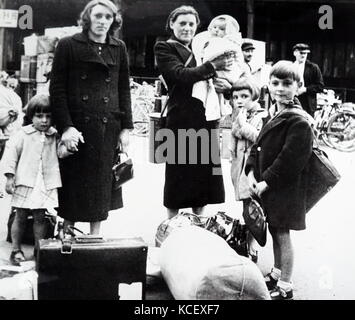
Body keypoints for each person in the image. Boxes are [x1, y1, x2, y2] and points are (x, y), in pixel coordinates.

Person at [49, 0, 133, 234]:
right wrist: (66, 127)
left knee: (101, 184)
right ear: (88, 18)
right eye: (98, 16)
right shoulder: (68, 45)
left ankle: (95, 237)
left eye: (108, 17)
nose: (102, 21)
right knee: (74, 184)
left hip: (108, 127)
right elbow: (57, 89)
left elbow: (123, 88)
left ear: (113, 20)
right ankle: (67, 233)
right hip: (77, 127)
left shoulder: (119, 47)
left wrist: (126, 128)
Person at [154, 5, 233, 218]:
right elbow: (180, 75)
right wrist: (212, 65)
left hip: (205, 119)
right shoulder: (164, 48)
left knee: (202, 176)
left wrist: (226, 88)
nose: (187, 28)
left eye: (191, 24)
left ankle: (199, 223)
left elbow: (218, 80)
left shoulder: (203, 47)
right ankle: (171, 226)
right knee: (177, 176)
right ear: (172, 24)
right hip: (180, 118)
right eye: (182, 23)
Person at [245, 61, 313, 300]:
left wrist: (266, 182)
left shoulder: (299, 120)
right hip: (268, 186)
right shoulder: (273, 113)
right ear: (268, 85)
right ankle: (276, 272)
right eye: (275, 83)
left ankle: (285, 286)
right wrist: (251, 172)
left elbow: (290, 160)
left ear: (298, 87)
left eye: (287, 83)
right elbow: (257, 146)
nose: (281, 88)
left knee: (282, 234)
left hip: (285, 188)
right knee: (274, 228)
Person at [2, 94, 61, 265]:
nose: (44, 120)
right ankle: (15, 249)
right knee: (19, 215)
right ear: (30, 117)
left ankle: (39, 249)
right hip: (25, 181)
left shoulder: (54, 135)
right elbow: (11, 154)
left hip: (43, 183)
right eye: (39, 116)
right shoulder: (23, 134)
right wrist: (10, 177)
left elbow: (60, 153)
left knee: (40, 217)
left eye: (48, 116)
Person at [229, 77, 267, 263]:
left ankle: (251, 244)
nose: (240, 100)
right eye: (236, 97)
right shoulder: (239, 115)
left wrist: (243, 125)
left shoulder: (262, 115)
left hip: (253, 168)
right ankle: (248, 242)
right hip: (239, 166)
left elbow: (258, 137)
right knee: (246, 205)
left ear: (255, 96)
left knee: (252, 207)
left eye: (245, 96)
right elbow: (233, 134)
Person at [191, 14, 245, 121]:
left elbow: (237, 65)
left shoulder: (227, 43)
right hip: (210, 82)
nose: (216, 30)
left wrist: (230, 88)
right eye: (214, 27)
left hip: (225, 78)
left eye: (221, 29)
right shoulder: (203, 42)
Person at [293, 43, 324, 117]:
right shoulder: (291, 66)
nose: (303, 55)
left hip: (308, 103)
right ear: (295, 53)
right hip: (293, 100)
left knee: (307, 125)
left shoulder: (313, 67)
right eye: (301, 53)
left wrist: (305, 89)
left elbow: (320, 86)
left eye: (305, 53)